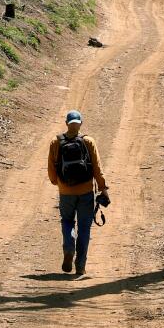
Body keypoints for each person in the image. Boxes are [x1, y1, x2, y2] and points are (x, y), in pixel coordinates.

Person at [46, 109, 109, 276]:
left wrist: (58, 183)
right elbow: (97, 168)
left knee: (67, 221)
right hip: (86, 192)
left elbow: (51, 169)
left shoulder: (56, 142)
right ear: (81, 123)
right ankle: (80, 265)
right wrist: (103, 189)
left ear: (67, 123)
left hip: (65, 191)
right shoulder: (88, 141)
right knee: (84, 228)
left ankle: (69, 246)